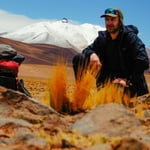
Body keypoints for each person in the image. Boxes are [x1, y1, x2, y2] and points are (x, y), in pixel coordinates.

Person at [72, 8, 149, 97]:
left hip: (128, 84)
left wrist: (128, 80)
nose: (109, 23)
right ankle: (81, 96)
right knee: (79, 58)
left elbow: (143, 60)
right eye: (107, 20)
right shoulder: (103, 38)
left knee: (118, 93)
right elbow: (87, 50)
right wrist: (92, 54)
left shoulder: (130, 37)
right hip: (109, 80)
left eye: (113, 19)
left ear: (120, 21)